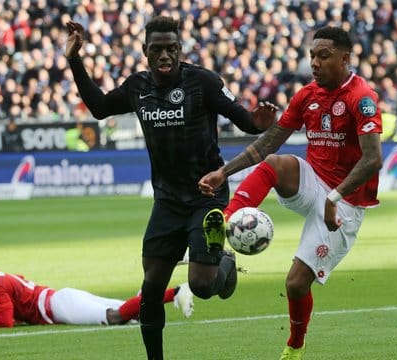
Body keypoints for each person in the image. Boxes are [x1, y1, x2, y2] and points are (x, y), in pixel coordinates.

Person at [65, 16, 277, 359]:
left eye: (171, 48)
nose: (165, 55)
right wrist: (74, 59)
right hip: (166, 202)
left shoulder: (204, 82)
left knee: (202, 287)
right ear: (146, 52)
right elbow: (100, 108)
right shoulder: (137, 87)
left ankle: (224, 264)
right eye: (157, 49)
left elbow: (245, 120)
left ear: (180, 49)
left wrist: (258, 121)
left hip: (205, 196)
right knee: (151, 290)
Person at [198, 26, 383, 360]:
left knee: (296, 284)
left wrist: (335, 197)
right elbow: (270, 139)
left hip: (346, 201)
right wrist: (223, 172)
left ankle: (295, 345)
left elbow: (373, 159)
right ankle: (224, 224)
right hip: (314, 181)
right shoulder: (307, 94)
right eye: (312, 55)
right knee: (275, 162)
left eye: (323, 56)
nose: (314, 62)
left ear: (345, 58)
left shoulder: (362, 98)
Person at [0, 258, 193, 328]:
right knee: (132, 311)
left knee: (116, 317)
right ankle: (173, 286)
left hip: (57, 306)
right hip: (58, 299)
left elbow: (5, 321)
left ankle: (177, 289)